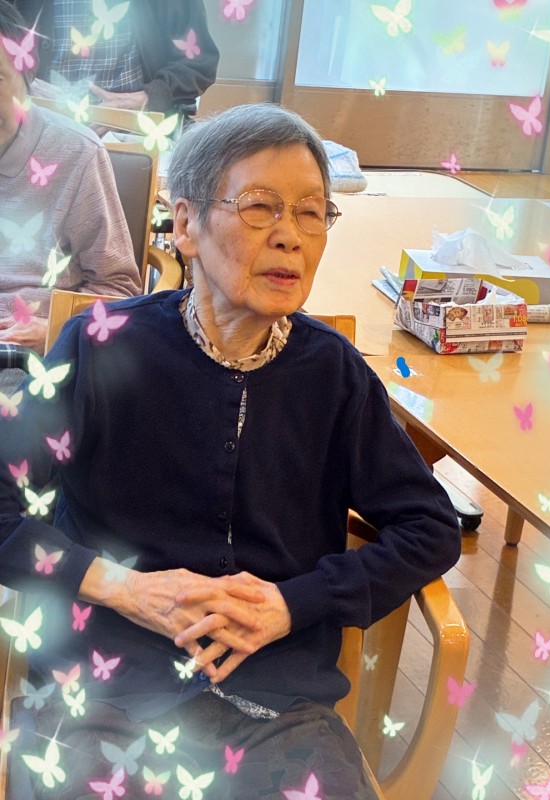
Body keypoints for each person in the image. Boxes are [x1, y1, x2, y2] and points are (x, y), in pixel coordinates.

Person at [0, 102, 461, 799]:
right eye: (260, 207)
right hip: (102, 689)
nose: (290, 237)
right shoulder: (100, 347)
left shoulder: (332, 373)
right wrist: (123, 587)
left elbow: (429, 527)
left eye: (312, 213)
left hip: (278, 704)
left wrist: (294, 603)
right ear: (185, 225)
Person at [0, 1, 141, 385]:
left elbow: (121, 289)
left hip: (29, 366)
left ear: (27, 72)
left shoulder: (75, 154)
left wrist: (55, 329)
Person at [11, 0, 219, 115]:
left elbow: (200, 64)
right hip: (41, 121)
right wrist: (23, 84)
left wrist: (147, 97)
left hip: (135, 127)